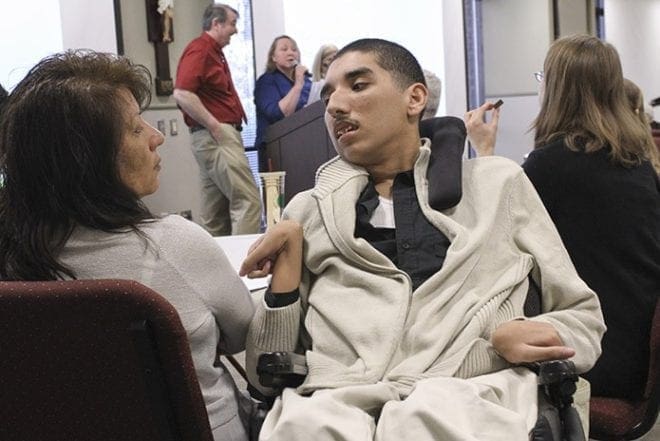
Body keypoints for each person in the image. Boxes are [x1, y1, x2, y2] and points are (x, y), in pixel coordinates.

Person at [239, 38, 605, 440]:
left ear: (414, 99)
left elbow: (582, 317)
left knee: (425, 418)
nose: (335, 105)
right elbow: (264, 371)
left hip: (467, 391)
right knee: (305, 426)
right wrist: (285, 279)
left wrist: (529, 332)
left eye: (357, 85)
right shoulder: (307, 212)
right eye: (328, 95)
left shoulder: (495, 186)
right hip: (337, 396)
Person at [0, 50, 255, 441]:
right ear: (86, 160)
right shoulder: (176, 245)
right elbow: (248, 344)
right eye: (136, 128)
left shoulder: (12, 256)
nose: (156, 138)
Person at [467, 34, 660, 403]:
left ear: (557, 89)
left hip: (593, 355)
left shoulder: (552, 166)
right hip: (635, 354)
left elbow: (490, 233)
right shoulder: (635, 161)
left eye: (543, 78)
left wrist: (483, 151)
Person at [173, 3, 262, 236]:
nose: (235, 30)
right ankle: (246, 265)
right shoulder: (201, 49)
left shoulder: (213, 52)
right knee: (248, 202)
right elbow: (182, 93)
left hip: (210, 137)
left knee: (215, 213)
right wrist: (214, 125)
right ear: (216, 23)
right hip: (217, 136)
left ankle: (216, 268)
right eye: (232, 24)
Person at [254, 35, 312, 172]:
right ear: (273, 57)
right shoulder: (267, 81)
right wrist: (298, 85)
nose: (290, 53)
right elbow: (279, 114)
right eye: (284, 49)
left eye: (294, 49)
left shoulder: (306, 82)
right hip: (275, 148)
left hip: (303, 146)